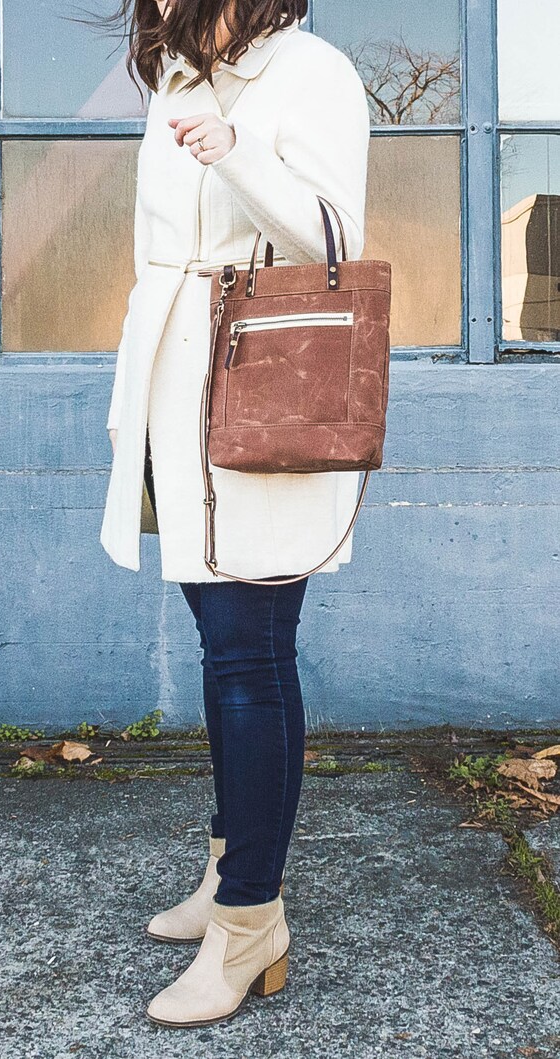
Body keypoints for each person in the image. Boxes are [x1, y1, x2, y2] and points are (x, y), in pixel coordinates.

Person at [96, 0, 370, 1029]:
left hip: (266, 383)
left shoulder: (309, 70)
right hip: (177, 381)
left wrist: (239, 154)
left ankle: (251, 921)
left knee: (251, 653)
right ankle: (228, 873)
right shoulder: (175, 77)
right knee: (226, 646)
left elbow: (336, 237)